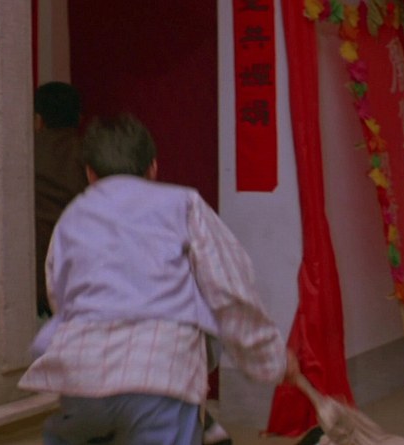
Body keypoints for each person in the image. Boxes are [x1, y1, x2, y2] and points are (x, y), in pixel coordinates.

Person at [19, 114, 299, 444]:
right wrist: (271, 359)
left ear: (90, 173)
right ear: (153, 167)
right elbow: (230, 290)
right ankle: (205, 427)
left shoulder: (72, 217)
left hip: (82, 379)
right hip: (161, 376)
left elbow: (59, 295)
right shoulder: (184, 205)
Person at [33, 81, 89, 317]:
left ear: (38, 120)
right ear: (79, 118)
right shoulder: (90, 156)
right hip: (82, 284)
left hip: (31, 285)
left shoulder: (24, 153)